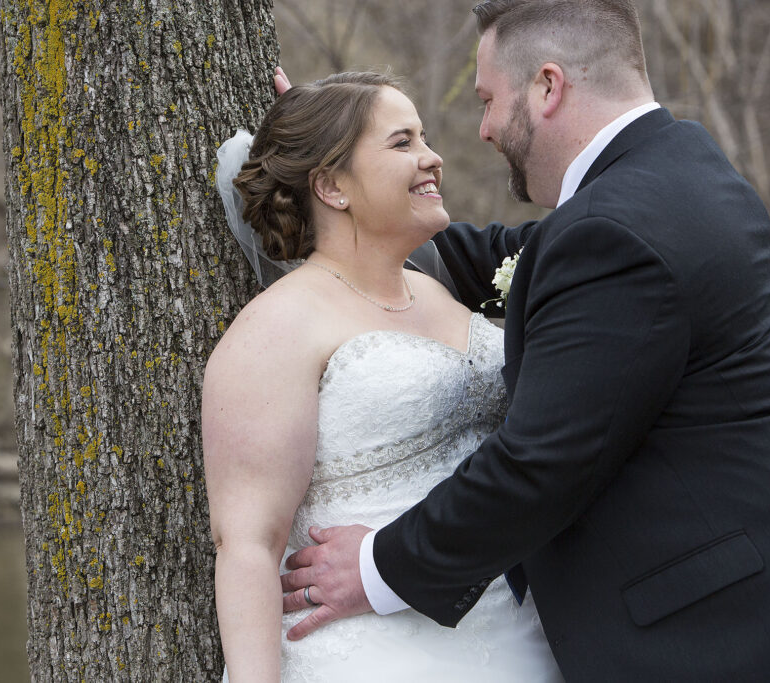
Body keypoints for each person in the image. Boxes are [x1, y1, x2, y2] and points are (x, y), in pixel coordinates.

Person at [278, 1, 770, 680]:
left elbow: (540, 463)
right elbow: (510, 255)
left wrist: (376, 566)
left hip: (715, 628)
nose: (482, 129)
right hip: (767, 576)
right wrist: (346, 176)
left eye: (489, 100)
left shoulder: (610, 232)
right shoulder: (680, 172)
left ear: (548, 87)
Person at [202, 72, 563, 681]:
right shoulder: (278, 327)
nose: (433, 158)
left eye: (423, 137)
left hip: (511, 629)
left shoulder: (436, 290)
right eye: (402, 143)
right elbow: (247, 546)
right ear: (331, 187)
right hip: (370, 650)